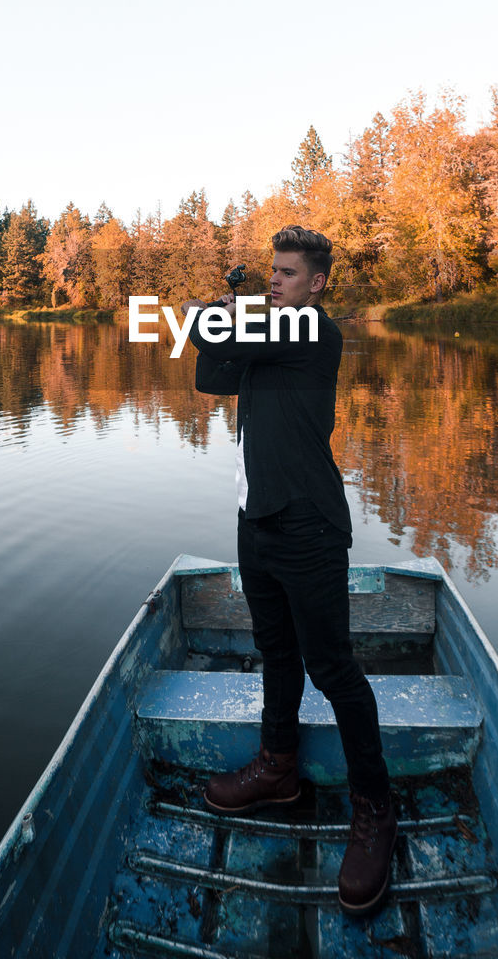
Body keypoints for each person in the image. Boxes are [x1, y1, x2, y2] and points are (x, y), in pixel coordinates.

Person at [179, 225, 396, 917]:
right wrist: (221, 321)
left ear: (317, 284)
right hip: (257, 521)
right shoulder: (268, 334)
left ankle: (374, 808)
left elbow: (210, 335)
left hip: (308, 524)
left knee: (331, 667)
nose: (275, 281)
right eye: (271, 272)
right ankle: (278, 768)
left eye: (288, 273)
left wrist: (215, 316)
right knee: (274, 649)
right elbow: (209, 374)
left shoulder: (312, 334)